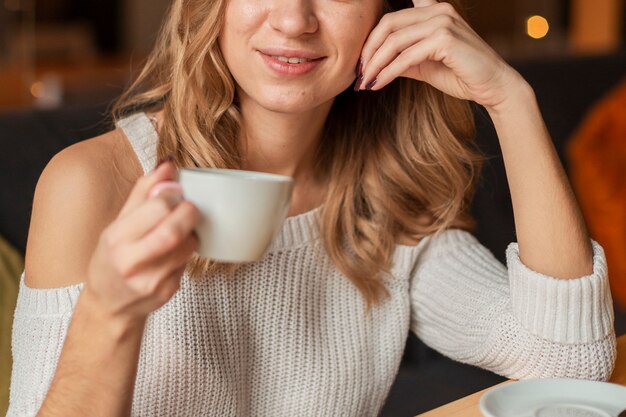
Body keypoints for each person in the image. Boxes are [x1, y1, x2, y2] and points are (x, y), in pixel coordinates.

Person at [7, 0, 616, 416]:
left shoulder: (383, 205)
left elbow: (568, 362)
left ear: (389, 14)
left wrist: (510, 99)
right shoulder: (94, 184)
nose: (294, 20)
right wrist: (110, 312)